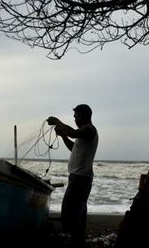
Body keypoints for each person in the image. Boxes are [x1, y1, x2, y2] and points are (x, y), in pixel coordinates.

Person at [47, 104, 98, 247]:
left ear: (82, 116)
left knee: (69, 210)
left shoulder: (89, 130)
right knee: (79, 212)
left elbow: (73, 133)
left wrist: (57, 122)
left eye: (75, 116)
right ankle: (78, 241)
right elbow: (73, 147)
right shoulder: (84, 133)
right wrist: (63, 135)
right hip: (79, 177)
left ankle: (73, 240)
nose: (74, 119)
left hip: (80, 178)